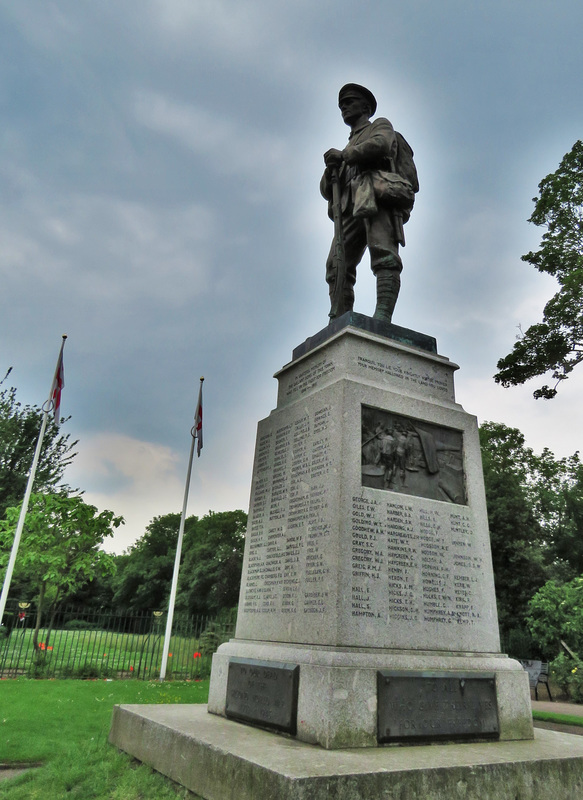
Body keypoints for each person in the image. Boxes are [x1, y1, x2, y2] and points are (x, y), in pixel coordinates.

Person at [321, 84, 416, 322]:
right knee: (336, 266)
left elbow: (381, 144)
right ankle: (341, 320)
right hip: (348, 206)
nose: (344, 106)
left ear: (365, 107)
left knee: (384, 254)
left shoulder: (379, 126)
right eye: (341, 104)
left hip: (374, 194)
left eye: (350, 101)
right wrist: (330, 169)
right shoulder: (346, 147)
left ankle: (382, 316)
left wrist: (344, 156)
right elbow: (326, 190)